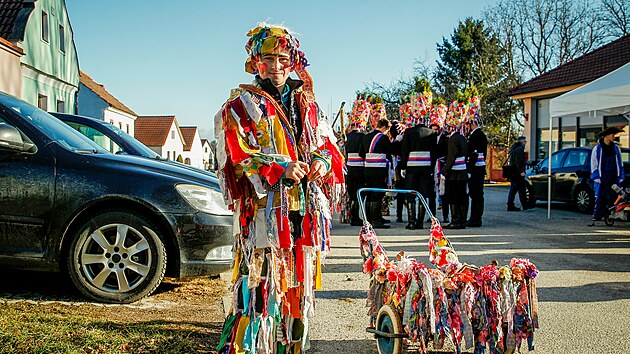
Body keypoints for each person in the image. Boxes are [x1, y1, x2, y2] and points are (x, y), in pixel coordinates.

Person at [213, 23, 344, 353]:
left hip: (303, 208)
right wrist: (280, 167)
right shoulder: (241, 106)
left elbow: (327, 143)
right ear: (255, 62)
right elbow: (236, 154)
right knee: (259, 279)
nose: (275, 67)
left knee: (297, 279)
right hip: (264, 211)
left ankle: (291, 344)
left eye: (283, 58)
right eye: (267, 59)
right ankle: (251, 345)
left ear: (294, 59)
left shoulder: (309, 103)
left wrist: (321, 161)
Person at [400, 112, 438, 230]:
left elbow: (404, 150)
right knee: (423, 195)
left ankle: (412, 222)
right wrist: (432, 168)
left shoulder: (409, 132)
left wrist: (403, 166)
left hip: (411, 167)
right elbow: (434, 153)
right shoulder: (432, 133)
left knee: (411, 195)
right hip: (426, 167)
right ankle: (420, 222)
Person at [360, 118, 392, 229]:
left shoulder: (366, 137)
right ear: (385, 127)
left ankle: (369, 219)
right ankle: (376, 221)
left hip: (368, 169)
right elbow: (390, 151)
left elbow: (361, 153)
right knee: (377, 194)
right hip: (379, 169)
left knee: (369, 193)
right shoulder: (383, 138)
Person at [590, 127, 624, 224]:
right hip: (603, 176)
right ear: (606, 136)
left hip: (613, 175)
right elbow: (594, 164)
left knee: (614, 197)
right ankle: (598, 215)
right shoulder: (597, 149)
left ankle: (611, 215)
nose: (614, 137)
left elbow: (620, 163)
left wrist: (621, 176)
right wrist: (596, 177)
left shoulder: (616, 148)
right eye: (612, 135)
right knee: (601, 196)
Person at [345, 98, 369, 226]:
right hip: (360, 167)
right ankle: (356, 216)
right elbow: (363, 152)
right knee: (359, 193)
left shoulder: (347, 136)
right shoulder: (363, 137)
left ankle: (353, 216)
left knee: (352, 193)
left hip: (349, 167)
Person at [443, 109, 468, 229]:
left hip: (454, 173)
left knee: (453, 196)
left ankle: (455, 220)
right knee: (462, 196)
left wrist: (444, 171)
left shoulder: (453, 139)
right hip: (462, 172)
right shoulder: (462, 138)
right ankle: (462, 219)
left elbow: (451, 157)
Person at [466, 116, 487, 227]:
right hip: (478, 168)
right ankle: (475, 217)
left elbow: (474, 154)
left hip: (476, 169)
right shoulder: (478, 135)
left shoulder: (476, 135)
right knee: (476, 194)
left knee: (476, 194)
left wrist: (469, 169)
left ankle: (476, 218)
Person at [507, 136, 528, 211]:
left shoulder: (514, 148)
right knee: (515, 189)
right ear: (522, 142)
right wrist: (521, 171)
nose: (525, 143)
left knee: (520, 189)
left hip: (513, 172)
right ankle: (511, 205)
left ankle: (524, 205)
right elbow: (518, 161)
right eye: (525, 142)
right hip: (517, 173)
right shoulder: (519, 149)